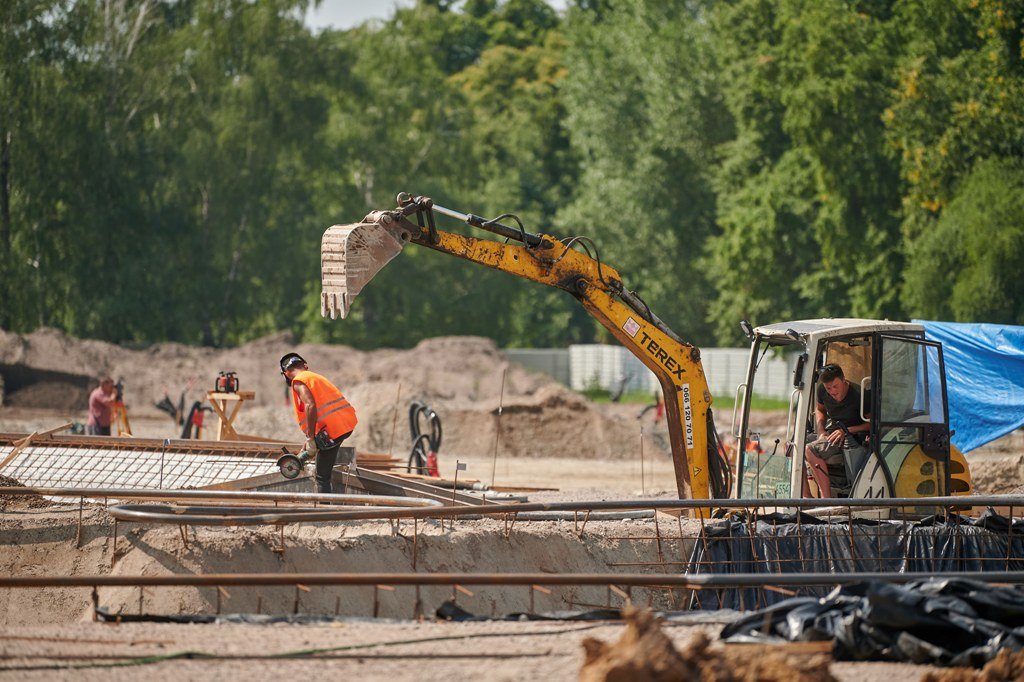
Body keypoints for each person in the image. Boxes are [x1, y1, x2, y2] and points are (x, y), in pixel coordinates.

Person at [280, 352, 358, 494]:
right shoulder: (315, 377)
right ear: (305, 365)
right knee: (324, 467)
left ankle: (324, 511)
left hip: (332, 431)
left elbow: (310, 405)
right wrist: (312, 439)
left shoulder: (298, 381)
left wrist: (310, 438)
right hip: (344, 425)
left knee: (322, 477)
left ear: (285, 373)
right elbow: (323, 410)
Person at [804, 363, 870, 498]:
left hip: (853, 437)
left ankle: (825, 500)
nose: (832, 392)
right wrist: (821, 428)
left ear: (844, 380)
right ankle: (806, 498)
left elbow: (872, 424)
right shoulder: (822, 390)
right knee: (792, 446)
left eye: (835, 386)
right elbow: (820, 409)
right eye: (829, 388)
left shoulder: (860, 395)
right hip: (831, 431)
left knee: (809, 450)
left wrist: (847, 431)